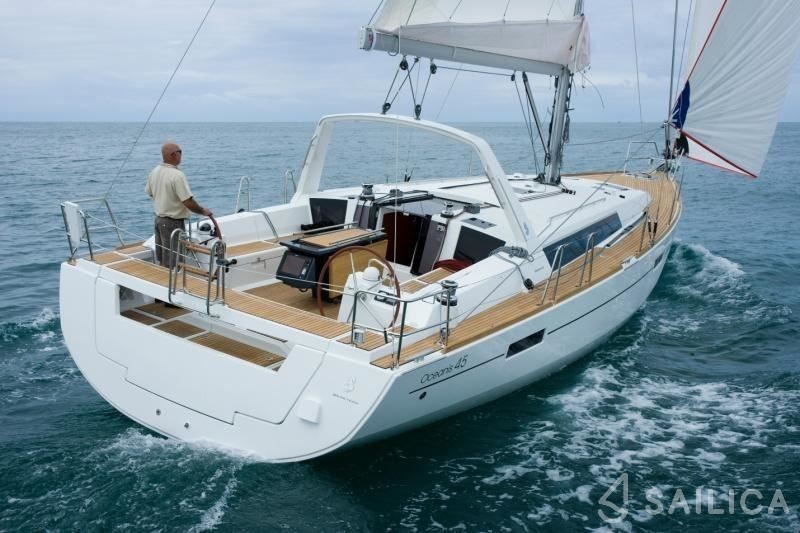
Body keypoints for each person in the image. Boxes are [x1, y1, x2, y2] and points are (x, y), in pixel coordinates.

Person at [145, 142, 212, 267]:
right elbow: (187, 201)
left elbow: (150, 193)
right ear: (174, 155)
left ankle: (163, 278)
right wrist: (203, 211)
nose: (181, 154)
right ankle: (171, 279)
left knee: (163, 259)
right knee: (174, 261)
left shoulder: (154, 171)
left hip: (159, 220)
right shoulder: (177, 175)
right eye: (180, 152)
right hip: (173, 223)